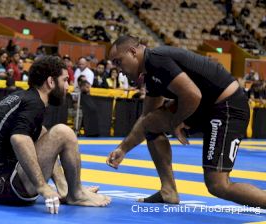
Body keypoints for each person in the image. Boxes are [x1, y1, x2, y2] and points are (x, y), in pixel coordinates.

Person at [107, 35, 266, 208]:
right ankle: (168, 190)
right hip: (207, 106)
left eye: (118, 61)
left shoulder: (157, 59)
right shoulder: (150, 72)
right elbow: (146, 118)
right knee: (151, 124)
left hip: (228, 106)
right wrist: (123, 149)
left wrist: (175, 122)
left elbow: (192, 94)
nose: (118, 69)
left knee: (218, 185)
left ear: (132, 52)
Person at [0, 56, 110, 214]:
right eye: (65, 80)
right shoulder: (35, 103)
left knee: (42, 132)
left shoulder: (15, 99)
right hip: (11, 187)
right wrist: (43, 187)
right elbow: (19, 138)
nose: (67, 86)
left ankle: (64, 189)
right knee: (63, 132)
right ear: (50, 82)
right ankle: (76, 194)